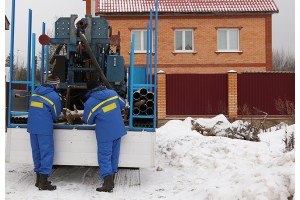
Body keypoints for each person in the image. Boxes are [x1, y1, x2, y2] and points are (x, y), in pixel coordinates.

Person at [83, 80, 127, 192]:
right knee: (114, 155)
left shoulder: (90, 102)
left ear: (89, 90)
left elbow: (88, 120)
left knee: (104, 157)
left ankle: (107, 184)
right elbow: (122, 104)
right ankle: (111, 179)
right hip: (118, 130)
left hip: (105, 133)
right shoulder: (112, 93)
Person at [27, 74, 62, 191]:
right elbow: (56, 114)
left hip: (32, 127)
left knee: (36, 153)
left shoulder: (36, 91)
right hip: (44, 128)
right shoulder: (54, 96)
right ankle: (44, 182)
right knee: (46, 153)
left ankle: (38, 180)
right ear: (56, 84)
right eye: (58, 84)